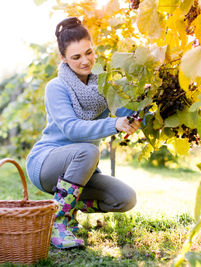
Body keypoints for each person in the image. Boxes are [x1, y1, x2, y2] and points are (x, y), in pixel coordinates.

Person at [26, 17, 140, 249]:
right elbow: (72, 129)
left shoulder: (105, 86)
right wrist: (114, 124)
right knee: (88, 150)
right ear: (64, 59)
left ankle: (64, 203)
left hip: (81, 170)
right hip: (46, 163)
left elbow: (127, 110)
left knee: (125, 198)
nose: (85, 61)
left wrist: (146, 101)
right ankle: (59, 223)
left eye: (89, 52)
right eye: (76, 57)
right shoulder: (56, 87)